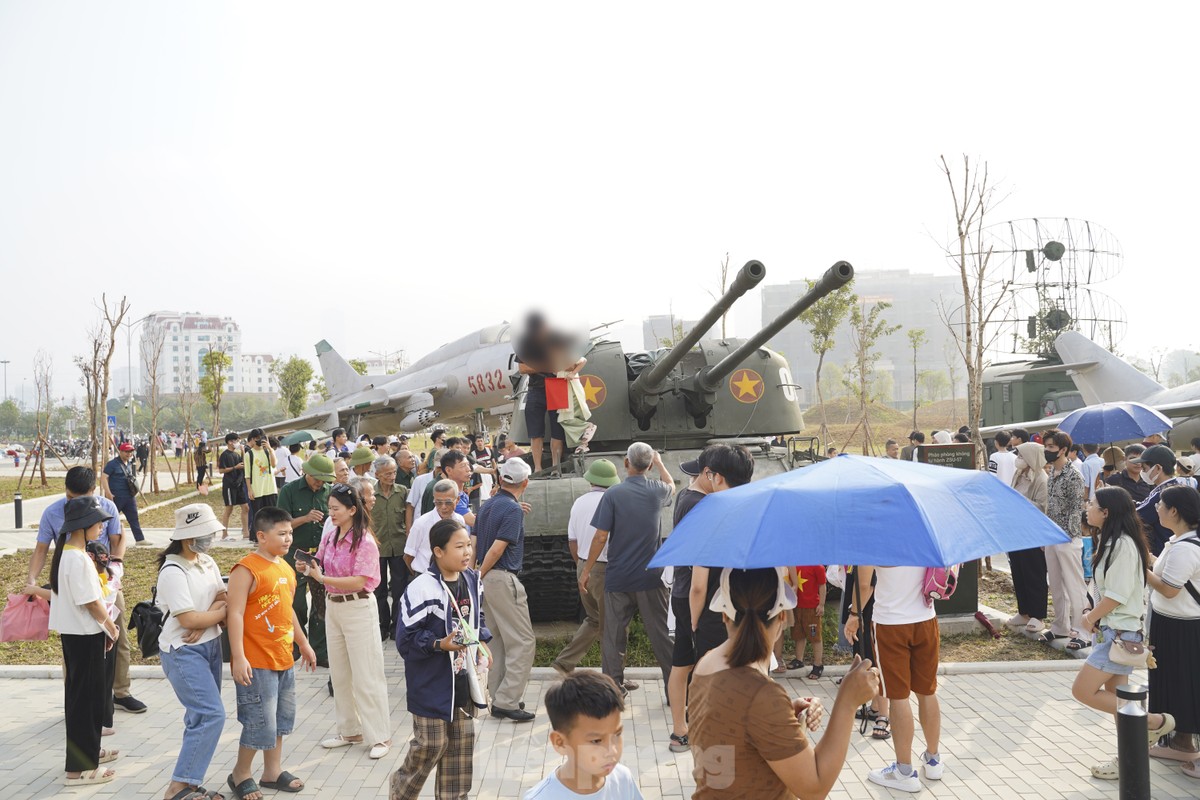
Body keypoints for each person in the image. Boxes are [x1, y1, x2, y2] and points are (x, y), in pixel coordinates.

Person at [688, 566, 882, 799]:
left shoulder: (704, 665)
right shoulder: (761, 694)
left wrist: (784, 714)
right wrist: (847, 702)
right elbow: (814, 787)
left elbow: (731, 731)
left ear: (724, 615)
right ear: (782, 617)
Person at [1069, 486, 1174, 780]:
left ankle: (1154, 721)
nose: (1087, 508)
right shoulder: (1112, 540)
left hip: (1119, 634)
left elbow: (1116, 594)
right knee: (1120, 702)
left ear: (1106, 512)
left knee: (1083, 691)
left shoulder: (1123, 545)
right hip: (1115, 632)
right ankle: (1128, 760)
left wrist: (1090, 617)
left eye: (1092, 504)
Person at [26, 466, 145, 715]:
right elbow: (40, 550)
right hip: (72, 582)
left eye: (82, 500)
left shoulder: (107, 508)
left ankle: (121, 692)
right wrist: (32, 580)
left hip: (104, 581)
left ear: (94, 491)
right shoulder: (52, 513)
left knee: (118, 637)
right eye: (70, 499)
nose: (75, 506)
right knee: (75, 642)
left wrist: (115, 569)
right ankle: (77, 699)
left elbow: (118, 541)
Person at [393, 518, 491, 800]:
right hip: (431, 683)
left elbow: (477, 617)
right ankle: (400, 793)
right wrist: (439, 644)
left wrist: (482, 642)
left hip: (464, 681)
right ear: (438, 552)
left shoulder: (472, 579)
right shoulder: (421, 587)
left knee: (460, 750)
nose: (467, 552)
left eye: (468, 545)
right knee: (430, 745)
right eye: (458, 547)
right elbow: (406, 640)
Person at [667, 444, 755, 753]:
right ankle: (705, 735)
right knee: (708, 670)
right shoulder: (708, 507)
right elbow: (699, 581)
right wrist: (694, 619)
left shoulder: (692, 499)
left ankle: (683, 731)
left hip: (693, 598)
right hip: (705, 603)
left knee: (686, 664)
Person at [226, 506, 317, 800]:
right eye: (282, 533)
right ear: (262, 536)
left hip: (283, 657)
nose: (288, 539)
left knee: (279, 720)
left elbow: (287, 610)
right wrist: (238, 656)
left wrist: (302, 643)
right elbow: (235, 613)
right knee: (258, 721)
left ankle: (272, 772)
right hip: (257, 661)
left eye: (290, 532)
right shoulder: (246, 568)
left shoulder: (285, 568)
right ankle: (241, 773)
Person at [301, 483, 392, 760]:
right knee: (340, 674)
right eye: (330, 508)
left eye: (336, 509)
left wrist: (322, 579)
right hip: (333, 608)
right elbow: (319, 561)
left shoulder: (364, 541)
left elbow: (360, 581)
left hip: (358, 607)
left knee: (367, 674)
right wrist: (308, 566)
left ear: (353, 510)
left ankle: (380, 736)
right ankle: (349, 730)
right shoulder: (330, 537)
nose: (332, 513)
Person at [579, 443, 676, 693]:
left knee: (613, 636)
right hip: (651, 578)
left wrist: (587, 569)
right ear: (650, 466)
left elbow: (600, 536)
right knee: (662, 635)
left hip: (618, 576)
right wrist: (661, 463)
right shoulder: (657, 490)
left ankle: (613, 688)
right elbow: (672, 486)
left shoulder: (613, 494)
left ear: (626, 463)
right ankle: (674, 689)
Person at [846, 562, 945, 792]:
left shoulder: (877, 534)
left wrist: (853, 614)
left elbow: (863, 584)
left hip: (890, 623)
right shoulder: (924, 529)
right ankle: (933, 760)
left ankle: (904, 771)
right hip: (926, 617)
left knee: (898, 697)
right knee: (927, 692)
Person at [156, 504, 229, 800]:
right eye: (206, 534)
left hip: (210, 645)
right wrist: (202, 618)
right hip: (183, 652)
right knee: (212, 715)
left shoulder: (206, 561)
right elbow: (187, 621)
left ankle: (190, 785)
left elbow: (224, 596)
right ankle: (178, 786)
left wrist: (205, 619)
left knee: (199, 717)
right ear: (188, 538)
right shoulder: (172, 571)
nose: (210, 539)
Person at [48, 496, 122, 786]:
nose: (102, 527)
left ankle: (89, 753)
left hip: (78, 635)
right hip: (84, 635)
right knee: (85, 702)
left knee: (83, 699)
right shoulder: (76, 558)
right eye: (98, 522)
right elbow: (91, 602)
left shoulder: (70, 554)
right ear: (82, 526)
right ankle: (79, 770)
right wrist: (111, 628)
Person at [476, 458, 537, 722]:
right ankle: (508, 700)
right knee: (523, 641)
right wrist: (481, 573)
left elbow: (475, 540)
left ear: (500, 480)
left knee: (497, 641)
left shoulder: (488, 505)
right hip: (501, 576)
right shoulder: (512, 510)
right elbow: (498, 548)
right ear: (525, 483)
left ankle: (497, 695)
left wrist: (475, 576)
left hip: (485, 579)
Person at [1145, 485, 1200, 772]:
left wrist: (1141, 569)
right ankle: (1181, 744)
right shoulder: (1180, 542)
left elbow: (1168, 590)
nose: (1157, 509)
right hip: (1174, 625)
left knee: (1186, 686)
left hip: (1183, 629)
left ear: (1174, 511)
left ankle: (1188, 747)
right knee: (1177, 684)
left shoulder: (1185, 548)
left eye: (1160, 505)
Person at [551, 459, 621, 679]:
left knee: (593, 619)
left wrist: (583, 567)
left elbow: (572, 540)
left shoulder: (578, 502)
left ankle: (565, 662)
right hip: (605, 567)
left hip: (583, 565)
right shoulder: (613, 500)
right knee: (614, 624)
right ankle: (614, 676)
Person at [524, 672, 642, 799]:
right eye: (596, 741)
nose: (611, 751)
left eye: (617, 734)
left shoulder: (623, 779)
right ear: (560, 743)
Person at [277, 453, 334, 668]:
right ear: (306, 472)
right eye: (316, 478)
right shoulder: (289, 491)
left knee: (321, 605)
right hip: (295, 554)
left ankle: (319, 650)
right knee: (297, 602)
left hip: (320, 555)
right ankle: (295, 647)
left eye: (323, 480)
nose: (320, 483)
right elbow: (281, 524)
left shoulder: (329, 492)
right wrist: (305, 518)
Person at [1042, 429, 1088, 651]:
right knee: (1056, 584)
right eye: (1046, 446)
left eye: (1051, 447)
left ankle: (1083, 631)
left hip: (1068, 537)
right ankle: (1061, 626)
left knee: (1074, 584)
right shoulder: (1052, 473)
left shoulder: (1074, 476)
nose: (1047, 450)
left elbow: (1075, 509)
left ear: (1063, 450)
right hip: (1051, 535)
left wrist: (1067, 536)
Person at [1007, 441, 1050, 634]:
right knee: (1018, 571)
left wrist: (1020, 501)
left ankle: (1037, 615)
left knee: (1034, 573)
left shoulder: (1041, 479)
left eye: (1022, 455)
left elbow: (1043, 508)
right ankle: (1023, 611)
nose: (1018, 459)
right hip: (1016, 531)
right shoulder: (1019, 474)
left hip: (1033, 534)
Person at [371, 455, 410, 640]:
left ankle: (397, 626)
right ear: (377, 474)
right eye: (387, 473)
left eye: (394, 472)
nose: (392, 476)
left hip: (399, 547)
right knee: (378, 590)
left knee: (399, 589)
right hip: (376, 549)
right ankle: (382, 626)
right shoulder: (370, 494)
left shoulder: (403, 492)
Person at [1133, 445, 1188, 555]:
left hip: (1164, 548)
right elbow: (1144, 505)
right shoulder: (1176, 486)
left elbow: (1137, 515)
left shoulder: (1163, 494)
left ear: (1158, 468)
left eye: (1144, 469)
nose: (1142, 472)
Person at [405, 479, 467, 575]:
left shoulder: (459, 520)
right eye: (438, 503)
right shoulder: (421, 523)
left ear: (457, 500)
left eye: (448, 502)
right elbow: (408, 556)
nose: (443, 507)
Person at [101, 441, 145, 544]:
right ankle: (103, 540)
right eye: (126, 452)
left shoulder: (129, 463)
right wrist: (108, 493)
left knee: (134, 518)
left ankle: (140, 539)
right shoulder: (112, 464)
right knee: (109, 519)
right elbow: (104, 478)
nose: (129, 454)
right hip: (116, 496)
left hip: (129, 496)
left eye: (130, 452)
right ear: (120, 452)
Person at [245, 428, 279, 536]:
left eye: (262, 438)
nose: (260, 440)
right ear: (253, 439)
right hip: (257, 489)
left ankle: (272, 534)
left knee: (272, 514)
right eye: (258, 438)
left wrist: (270, 449)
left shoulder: (267, 451)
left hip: (270, 488)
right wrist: (249, 490)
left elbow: (274, 464)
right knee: (258, 515)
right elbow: (247, 474)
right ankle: (257, 537)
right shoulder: (249, 454)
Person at [218, 433, 250, 541]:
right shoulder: (224, 455)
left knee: (246, 507)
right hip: (229, 485)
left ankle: (246, 533)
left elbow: (243, 465)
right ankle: (224, 534)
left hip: (239, 485)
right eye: (236, 440)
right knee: (229, 509)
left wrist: (242, 452)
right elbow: (221, 470)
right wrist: (234, 467)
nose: (238, 443)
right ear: (230, 442)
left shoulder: (236, 455)